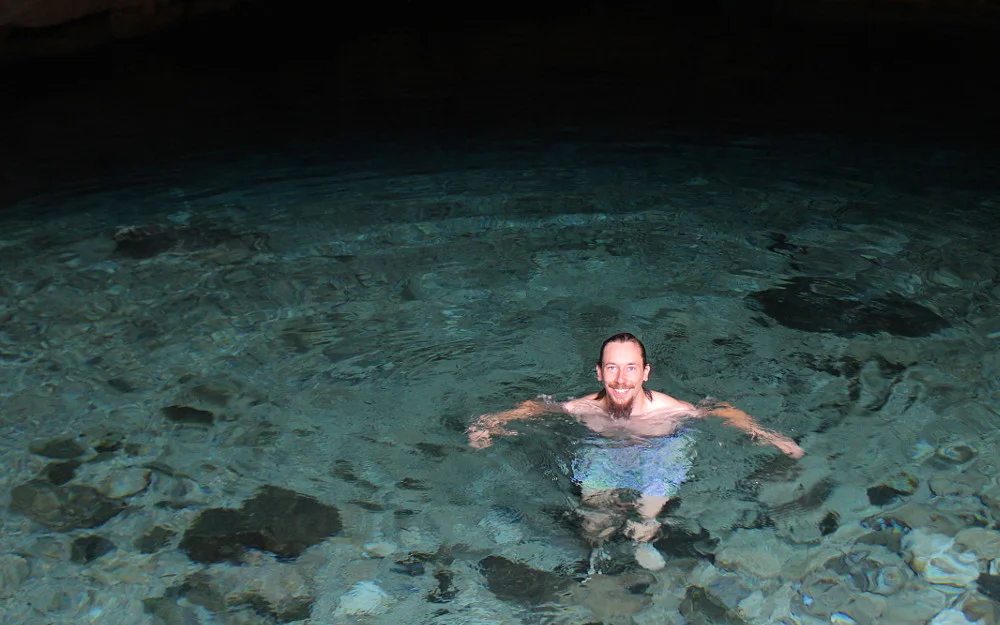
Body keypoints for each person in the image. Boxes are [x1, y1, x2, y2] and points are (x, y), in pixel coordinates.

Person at [467, 332, 804, 570]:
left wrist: (768, 435)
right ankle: (600, 555)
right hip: (605, 452)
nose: (621, 379)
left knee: (648, 512)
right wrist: (489, 422)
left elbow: (718, 409)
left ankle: (644, 536)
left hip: (661, 449)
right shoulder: (585, 409)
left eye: (630, 368)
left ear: (645, 372)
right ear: (599, 372)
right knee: (593, 528)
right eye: (612, 367)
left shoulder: (670, 411)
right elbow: (538, 407)